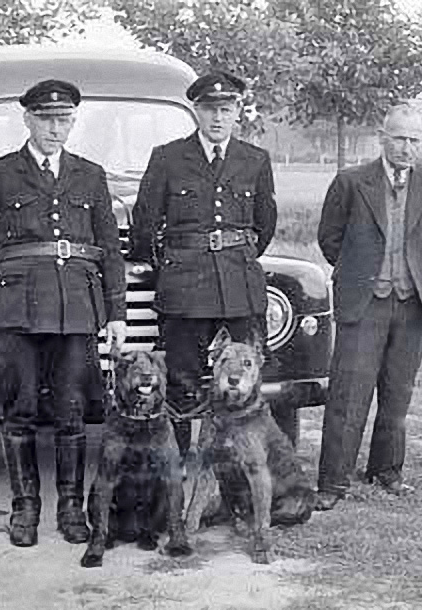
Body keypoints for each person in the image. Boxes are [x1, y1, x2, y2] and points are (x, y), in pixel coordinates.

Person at [0, 79, 127, 547]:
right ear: (27, 119)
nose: (56, 128)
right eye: (47, 119)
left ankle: (71, 509)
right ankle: (24, 509)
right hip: (15, 309)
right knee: (22, 408)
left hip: (75, 305)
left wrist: (116, 313)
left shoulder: (89, 174)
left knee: (72, 411)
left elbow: (109, 248)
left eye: (65, 119)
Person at [128, 71, 277, 460]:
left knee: (244, 378)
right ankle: (178, 464)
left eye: (226, 110)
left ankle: (242, 463)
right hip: (184, 284)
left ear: (237, 113)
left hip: (239, 284)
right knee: (182, 380)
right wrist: (169, 267)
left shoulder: (254, 160)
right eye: (210, 109)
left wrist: (235, 254)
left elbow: (265, 224)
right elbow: (145, 223)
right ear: (196, 110)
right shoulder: (168, 158)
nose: (217, 118)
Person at [314, 103, 422, 509]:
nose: (407, 148)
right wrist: (363, 274)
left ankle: (386, 472)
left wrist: (412, 275)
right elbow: (330, 240)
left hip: (413, 306)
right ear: (382, 137)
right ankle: (332, 483)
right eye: (399, 138)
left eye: (414, 140)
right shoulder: (351, 182)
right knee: (348, 395)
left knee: (397, 397)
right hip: (363, 304)